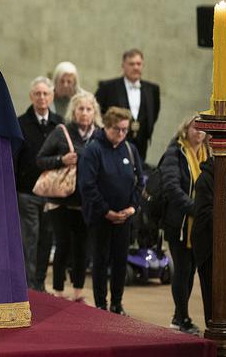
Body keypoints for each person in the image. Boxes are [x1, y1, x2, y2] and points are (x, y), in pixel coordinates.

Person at [36, 91, 101, 303]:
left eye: (88, 109)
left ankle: (78, 291)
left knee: (82, 247)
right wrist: (61, 159)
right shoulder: (61, 131)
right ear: (73, 111)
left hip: (85, 201)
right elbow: (41, 160)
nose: (84, 113)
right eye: (80, 109)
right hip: (61, 200)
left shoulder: (99, 135)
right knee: (63, 244)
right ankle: (57, 290)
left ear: (94, 112)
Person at [78, 106, 142, 315]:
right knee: (100, 261)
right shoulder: (93, 150)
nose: (121, 134)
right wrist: (106, 211)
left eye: (125, 130)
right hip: (100, 218)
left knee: (120, 262)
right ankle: (100, 305)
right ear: (106, 126)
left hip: (124, 218)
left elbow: (139, 183)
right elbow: (87, 186)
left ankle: (117, 304)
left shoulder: (130, 150)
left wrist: (131, 208)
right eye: (117, 129)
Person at [159, 116, 209, 334]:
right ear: (186, 129)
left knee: (191, 272)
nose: (199, 132)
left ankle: (180, 317)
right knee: (182, 270)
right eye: (195, 127)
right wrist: (195, 208)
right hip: (179, 223)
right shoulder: (175, 152)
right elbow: (171, 186)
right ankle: (182, 317)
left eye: (203, 129)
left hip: (200, 225)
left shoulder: (208, 153)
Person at [15, 76, 63, 292]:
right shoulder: (20, 123)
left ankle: (40, 284)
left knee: (47, 239)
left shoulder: (59, 125)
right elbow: (14, 157)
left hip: (52, 193)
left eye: (46, 94)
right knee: (29, 240)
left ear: (52, 96)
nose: (42, 97)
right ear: (31, 97)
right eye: (38, 94)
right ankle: (28, 286)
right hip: (27, 191)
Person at [192, 133, 226, 331]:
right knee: (215, 294)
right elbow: (207, 214)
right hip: (211, 247)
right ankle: (217, 331)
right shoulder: (207, 179)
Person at [95, 49, 160, 162]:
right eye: (131, 64)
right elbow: (97, 112)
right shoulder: (108, 87)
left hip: (141, 143)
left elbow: (154, 113)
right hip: (113, 142)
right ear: (123, 66)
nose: (135, 67)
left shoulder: (152, 89)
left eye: (138, 64)